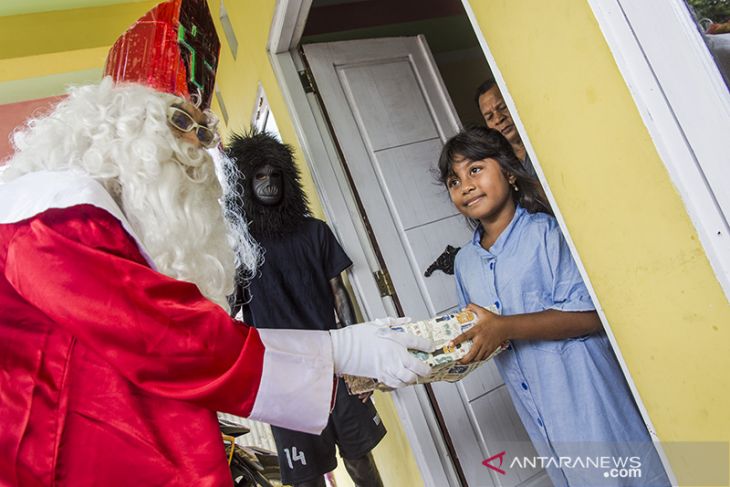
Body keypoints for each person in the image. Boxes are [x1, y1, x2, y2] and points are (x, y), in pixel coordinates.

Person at [0, 1, 432, 485]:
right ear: (120, 129)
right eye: (184, 124)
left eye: (205, 131)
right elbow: (167, 339)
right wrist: (339, 349)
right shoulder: (48, 215)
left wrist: (343, 344)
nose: (198, 151)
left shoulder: (83, 218)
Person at [437, 126, 670, 486]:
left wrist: (505, 326)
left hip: (586, 397)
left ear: (510, 173)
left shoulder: (546, 234)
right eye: (453, 180)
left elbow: (591, 317)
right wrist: (417, 360)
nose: (465, 185)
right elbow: (475, 334)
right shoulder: (466, 263)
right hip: (541, 416)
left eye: (475, 169)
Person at [227, 129, 387, 487]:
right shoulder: (241, 246)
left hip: (334, 362)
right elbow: (228, 310)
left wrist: (359, 363)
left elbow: (340, 296)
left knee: (360, 458)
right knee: (306, 476)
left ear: (288, 181)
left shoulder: (315, 232)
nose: (268, 184)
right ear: (246, 184)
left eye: (275, 176)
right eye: (259, 177)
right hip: (281, 374)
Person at [475, 79, 536, 177]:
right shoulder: (500, 166)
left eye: (503, 107)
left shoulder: (542, 139)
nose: (498, 119)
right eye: (490, 117)